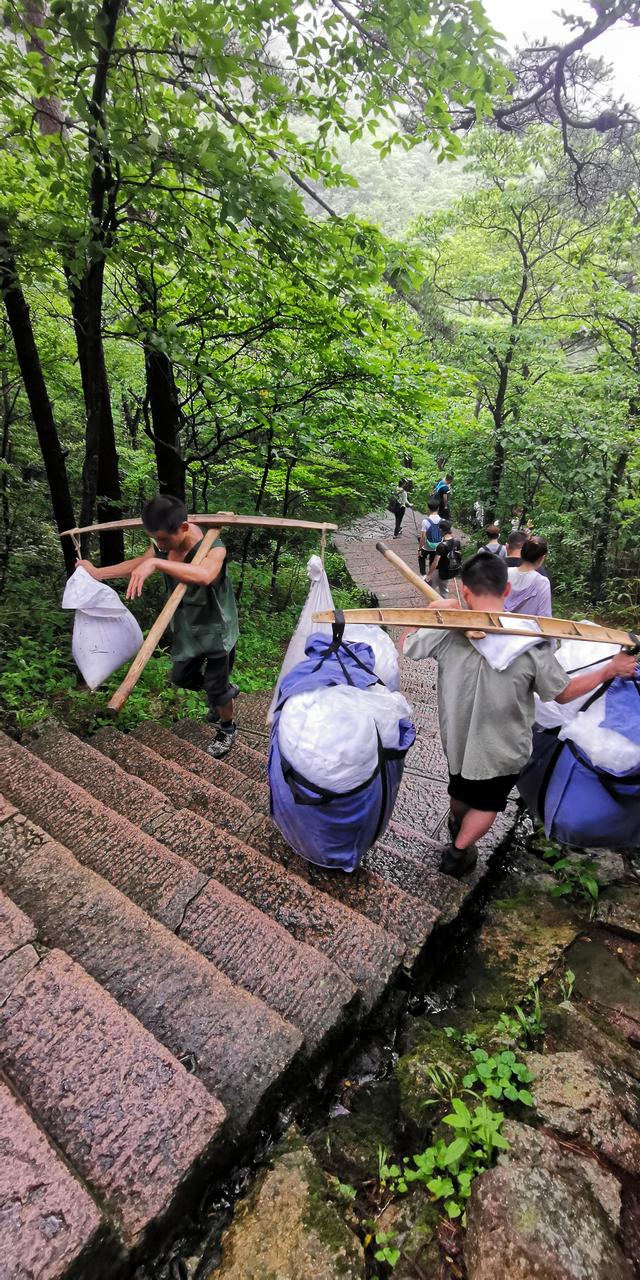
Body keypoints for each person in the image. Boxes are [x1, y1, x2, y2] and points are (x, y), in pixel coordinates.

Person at [402, 552, 637, 879]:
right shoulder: (529, 642)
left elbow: (408, 646)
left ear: (465, 592)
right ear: (507, 590)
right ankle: (456, 854)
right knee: (487, 804)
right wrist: (608, 671)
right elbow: (563, 692)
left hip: (457, 739)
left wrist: (430, 613)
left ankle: (457, 826)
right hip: (504, 748)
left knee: (459, 789)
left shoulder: (445, 629)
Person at [77, 495, 240, 757]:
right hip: (186, 627)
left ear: (184, 528)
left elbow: (205, 575)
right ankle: (221, 693)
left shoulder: (213, 545)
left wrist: (154, 562)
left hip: (216, 628)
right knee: (180, 677)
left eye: (163, 539)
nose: (159, 544)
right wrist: (96, 572)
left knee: (217, 687)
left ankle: (227, 728)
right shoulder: (162, 545)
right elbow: (138, 565)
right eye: (156, 540)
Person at [505, 536, 552, 616]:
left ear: (522, 553)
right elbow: (545, 616)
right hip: (527, 627)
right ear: (541, 558)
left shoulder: (505, 573)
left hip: (501, 625)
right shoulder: (542, 582)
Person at [424, 520, 462, 599]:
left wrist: (429, 574)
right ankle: (444, 604)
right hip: (450, 570)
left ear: (441, 530)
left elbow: (435, 562)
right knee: (443, 588)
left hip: (440, 571)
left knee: (429, 588)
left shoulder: (441, 546)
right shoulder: (457, 541)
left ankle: (433, 605)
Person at [418, 498, 442, 575]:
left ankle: (423, 574)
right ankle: (431, 575)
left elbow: (423, 537)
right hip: (437, 546)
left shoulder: (425, 521)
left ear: (428, 508)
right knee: (433, 560)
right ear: (438, 508)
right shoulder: (442, 520)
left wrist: (420, 549)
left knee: (421, 557)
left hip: (427, 546)